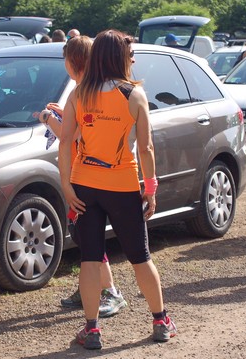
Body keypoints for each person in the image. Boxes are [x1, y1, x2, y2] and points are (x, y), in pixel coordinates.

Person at [59, 29, 176, 349]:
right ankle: (160, 320)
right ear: (119, 58)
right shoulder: (134, 95)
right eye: (129, 54)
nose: (132, 58)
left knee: (90, 259)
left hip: (83, 184)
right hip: (123, 184)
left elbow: (66, 141)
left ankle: (92, 330)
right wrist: (150, 189)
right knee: (140, 256)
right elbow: (147, 149)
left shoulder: (78, 93)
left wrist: (66, 186)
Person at [36, 36, 127, 318]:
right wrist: (63, 113)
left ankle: (110, 290)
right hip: (88, 172)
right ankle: (88, 286)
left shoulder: (84, 91)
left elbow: (72, 134)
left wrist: (46, 119)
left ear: (72, 62)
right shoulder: (87, 89)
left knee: (88, 236)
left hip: (86, 174)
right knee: (83, 234)